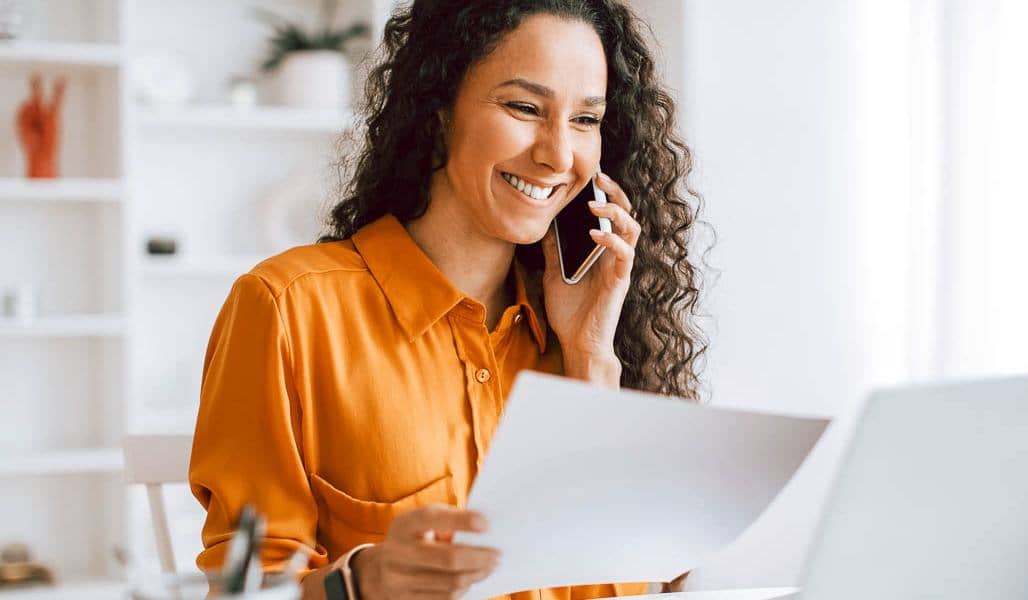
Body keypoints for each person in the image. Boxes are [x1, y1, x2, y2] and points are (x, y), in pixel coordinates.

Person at [189, 0, 707, 598]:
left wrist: (589, 355)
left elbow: (618, 589)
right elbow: (241, 590)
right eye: (524, 108)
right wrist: (359, 583)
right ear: (438, 111)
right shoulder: (286, 308)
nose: (559, 155)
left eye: (586, 120)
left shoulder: (571, 334)